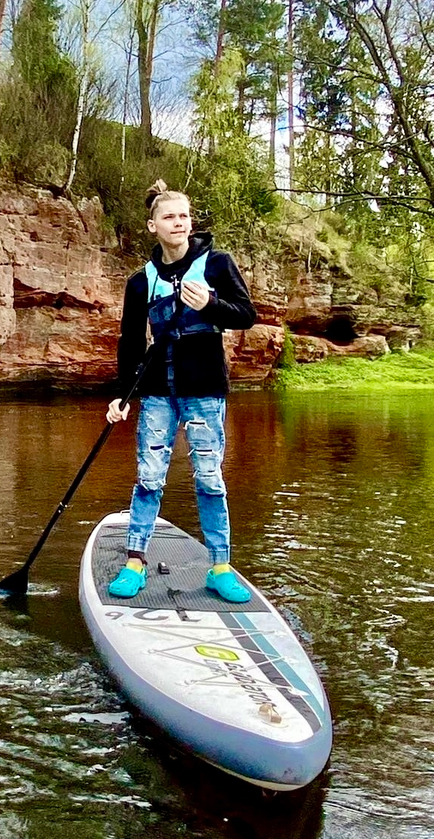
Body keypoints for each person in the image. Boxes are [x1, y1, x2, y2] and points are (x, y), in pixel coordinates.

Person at [106, 180, 257, 603]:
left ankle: (220, 567)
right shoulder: (140, 282)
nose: (179, 223)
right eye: (170, 217)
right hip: (156, 391)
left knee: (210, 480)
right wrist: (122, 394)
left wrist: (209, 304)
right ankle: (135, 562)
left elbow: (245, 314)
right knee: (149, 478)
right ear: (153, 225)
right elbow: (130, 340)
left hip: (205, 388)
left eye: (184, 217)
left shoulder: (217, 265)